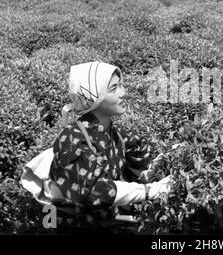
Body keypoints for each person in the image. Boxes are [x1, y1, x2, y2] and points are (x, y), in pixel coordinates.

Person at [21, 61, 173, 233]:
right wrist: (150, 191)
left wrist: (170, 159)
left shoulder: (119, 135)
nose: (123, 93)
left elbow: (141, 168)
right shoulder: (72, 140)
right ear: (94, 97)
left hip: (108, 224)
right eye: (113, 88)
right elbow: (98, 191)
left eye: (121, 86)